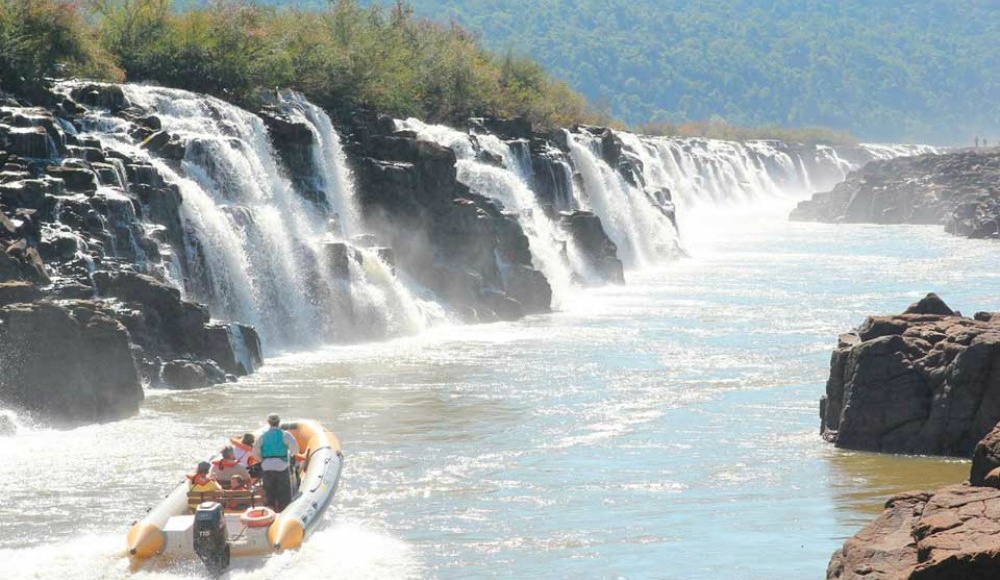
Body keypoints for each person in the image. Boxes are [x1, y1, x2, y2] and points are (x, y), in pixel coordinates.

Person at [251, 413, 299, 512]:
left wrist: (262, 460)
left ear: (268, 423)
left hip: (267, 467)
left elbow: (254, 452)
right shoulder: (285, 435)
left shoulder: (263, 436)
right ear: (279, 422)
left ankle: (270, 509)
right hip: (282, 466)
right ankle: (283, 510)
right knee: (284, 493)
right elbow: (295, 450)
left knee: (269, 492)